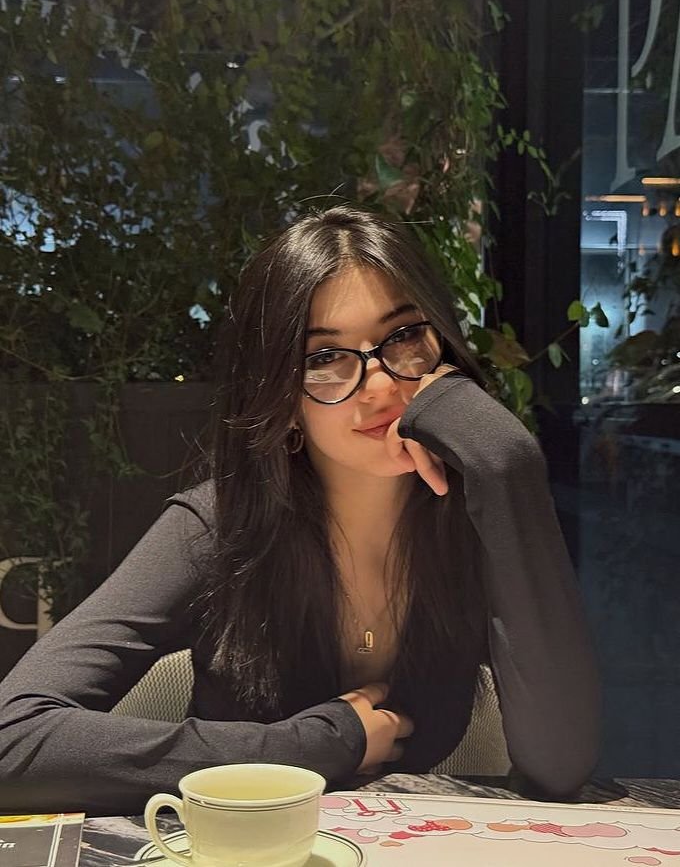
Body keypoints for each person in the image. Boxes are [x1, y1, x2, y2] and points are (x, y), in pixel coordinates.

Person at [0, 205, 600, 816]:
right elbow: (12, 740)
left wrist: (508, 464)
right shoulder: (221, 526)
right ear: (282, 399)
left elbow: (560, 765)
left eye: (403, 336)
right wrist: (312, 746)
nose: (380, 386)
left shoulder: (472, 522)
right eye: (323, 358)